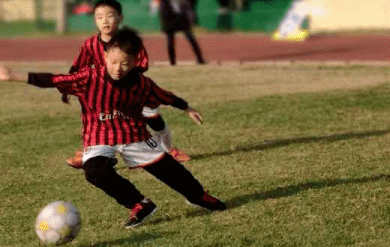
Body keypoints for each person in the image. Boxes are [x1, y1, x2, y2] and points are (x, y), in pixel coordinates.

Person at [0, 28, 225, 229]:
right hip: (98, 136)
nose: (118, 68)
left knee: (173, 173)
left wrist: (187, 107)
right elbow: (55, 79)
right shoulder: (89, 77)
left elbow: (165, 96)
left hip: (134, 134)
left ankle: (198, 196)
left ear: (136, 62)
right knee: (95, 172)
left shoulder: (142, 84)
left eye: (126, 63)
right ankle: (139, 204)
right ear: (105, 56)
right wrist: (14, 76)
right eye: (114, 61)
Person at [63, 0, 191, 169]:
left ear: (120, 18)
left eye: (110, 16)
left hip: (132, 92)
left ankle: (169, 150)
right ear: (94, 20)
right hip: (104, 95)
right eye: (99, 17)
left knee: (154, 120)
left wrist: (124, 77)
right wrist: (68, 88)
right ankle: (87, 153)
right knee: (94, 121)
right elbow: (78, 67)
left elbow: (142, 63)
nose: (105, 21)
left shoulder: (130, 42)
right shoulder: (90, 44)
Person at [153, 0, 206, 66]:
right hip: (169, 16)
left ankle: (200, 59)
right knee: (170, 39)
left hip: (181, 15)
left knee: (190, 36)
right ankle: (172, 62)